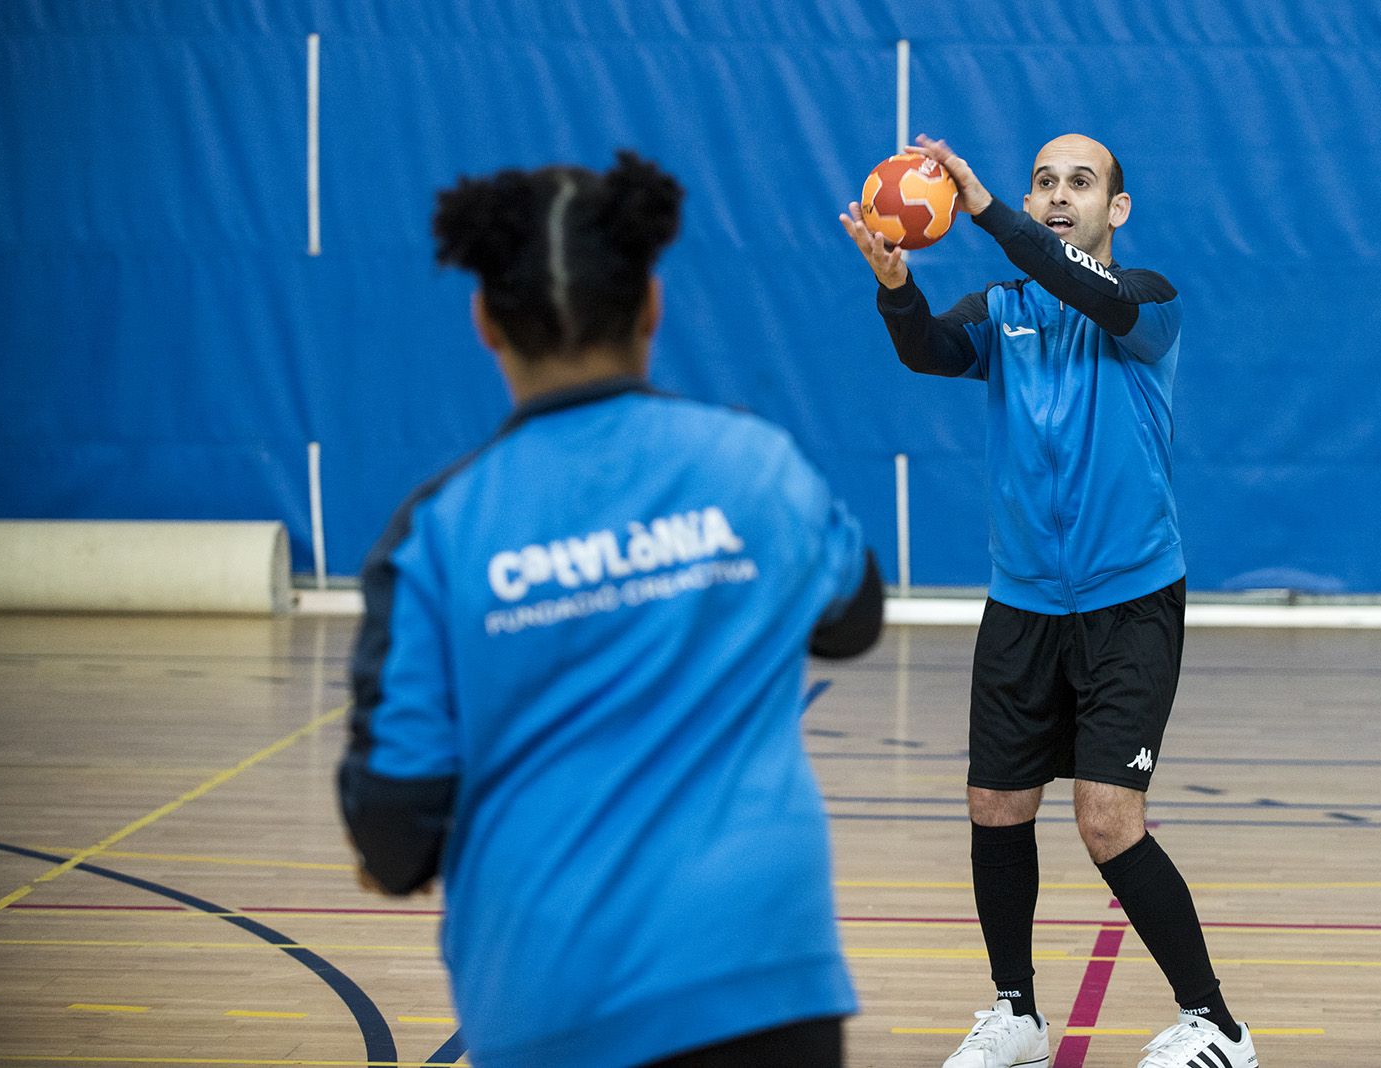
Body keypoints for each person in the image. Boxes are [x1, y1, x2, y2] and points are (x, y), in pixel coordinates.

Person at [339, 150, 884, 1068]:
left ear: (484, 322)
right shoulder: (756, 465)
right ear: (652, 306)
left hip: (554, 998)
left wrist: (388, 852)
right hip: (769, 978)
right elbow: (852, 617)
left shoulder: (436, 533)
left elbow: (394, 829)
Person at [840, 134, 1259, 1068]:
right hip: (1023, 602)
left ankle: (1217, 1025)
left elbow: (1094, 292)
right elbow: (931, 353)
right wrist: (897, 286)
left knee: (1109, 819)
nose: (1058, 195)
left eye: (1081, 183)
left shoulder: (1147, 303)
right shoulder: (1006, 308)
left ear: (1118, 209)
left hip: (1131, 601)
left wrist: (987, 209)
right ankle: (1017, 1013)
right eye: (1044, 182)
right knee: (996, 804)